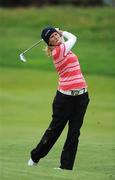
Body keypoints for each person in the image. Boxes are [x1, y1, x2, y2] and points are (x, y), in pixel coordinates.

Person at [28, 26, 90, 170]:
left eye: (55, 35)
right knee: (54, 131)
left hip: (82, 97)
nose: (55, 37)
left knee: (74, 132)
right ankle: (35, 157)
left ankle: (66, 166)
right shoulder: (58, 51)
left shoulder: (65, 49)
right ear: (49, 43)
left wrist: (57, 33)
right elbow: (74, 38)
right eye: (51, 37)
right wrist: (61, 31)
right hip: (65, 99)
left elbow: (69, 42)